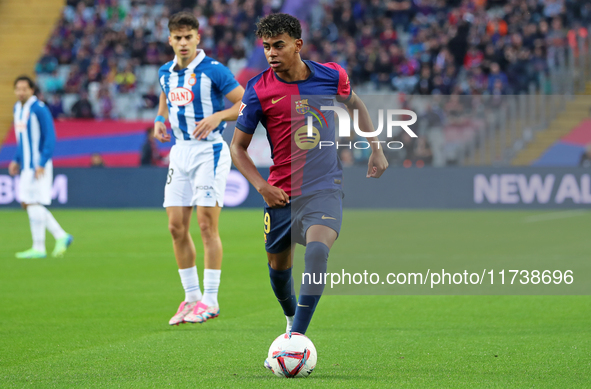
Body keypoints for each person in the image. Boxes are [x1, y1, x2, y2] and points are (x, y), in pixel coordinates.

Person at [230, 13, 388, 365]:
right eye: (267, 47)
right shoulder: (258, 89)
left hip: (324, 188)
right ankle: (290, 318)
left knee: (317, 253)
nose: (271, 53)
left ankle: (296, 337)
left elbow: (357, 104)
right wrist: (262, 186)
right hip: (282, 194)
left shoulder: (331, 76)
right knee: (278, 271)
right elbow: (237, 148)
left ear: (297, 45)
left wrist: (375, 148)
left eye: (279, 45)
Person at [153, 12, 244, 326]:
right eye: (177, 38)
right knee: (176, 227)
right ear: (170, 40)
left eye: (187, 37)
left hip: (210, 152)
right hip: (180, 152)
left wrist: (219, 116)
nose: (182, 43)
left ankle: (212, 300)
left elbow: (244, 104)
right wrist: (159, 120)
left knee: (206, 226)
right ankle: (191, 298)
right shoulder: (165, 71)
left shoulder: (213, 71)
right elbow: (165, 96)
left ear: (197, 38)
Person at [8, 76, 73, 258]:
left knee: (31, 202)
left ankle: (53, 239)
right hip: (27, 166)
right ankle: (45, 244)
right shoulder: (17, 109)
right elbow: (22, 139)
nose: (20, 92)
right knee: (27, 202)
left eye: (24, 88)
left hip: (38, 166)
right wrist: (16, 159)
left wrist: (42, 162)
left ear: (32, 90)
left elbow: (50, 137)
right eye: (18, 89)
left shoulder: (39, 109)